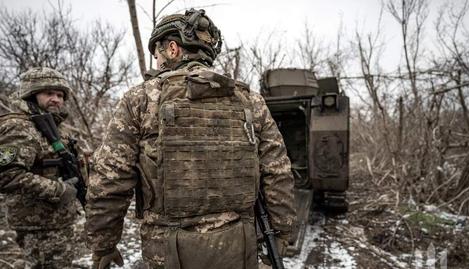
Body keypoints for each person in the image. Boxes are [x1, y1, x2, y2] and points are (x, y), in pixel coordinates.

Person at [86, 8, 296, 269]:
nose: (157, 62)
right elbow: (278, 173)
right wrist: (283, 233)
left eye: (157, 55)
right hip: (239, 248)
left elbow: (110, 180)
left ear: (172, 49)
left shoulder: (140, 100)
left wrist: (103, 244)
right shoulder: (249, 100)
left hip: (166, 252)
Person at [0, 67, 82, 268]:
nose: (56, 99)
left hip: (57, 224)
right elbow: (7, 175)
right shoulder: (19, 127)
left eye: (60, 95)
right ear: (32, 94)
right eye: (49, 93)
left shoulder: (53, 127)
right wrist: (58, 190)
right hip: (35, 228)